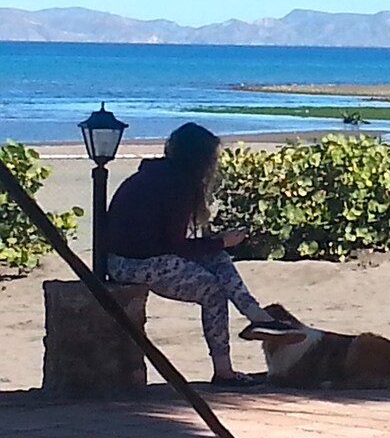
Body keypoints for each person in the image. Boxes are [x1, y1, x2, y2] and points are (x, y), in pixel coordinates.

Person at [105, 122, 298, 387]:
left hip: (130, 257)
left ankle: (258, 317)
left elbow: (168, 242)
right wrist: (223, 241)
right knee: (213, 291)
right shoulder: (178, 185)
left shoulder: (155, 176)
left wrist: (218, 245)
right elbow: (176, 246)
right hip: (135, 264)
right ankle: (224, 371)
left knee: (218, 258)